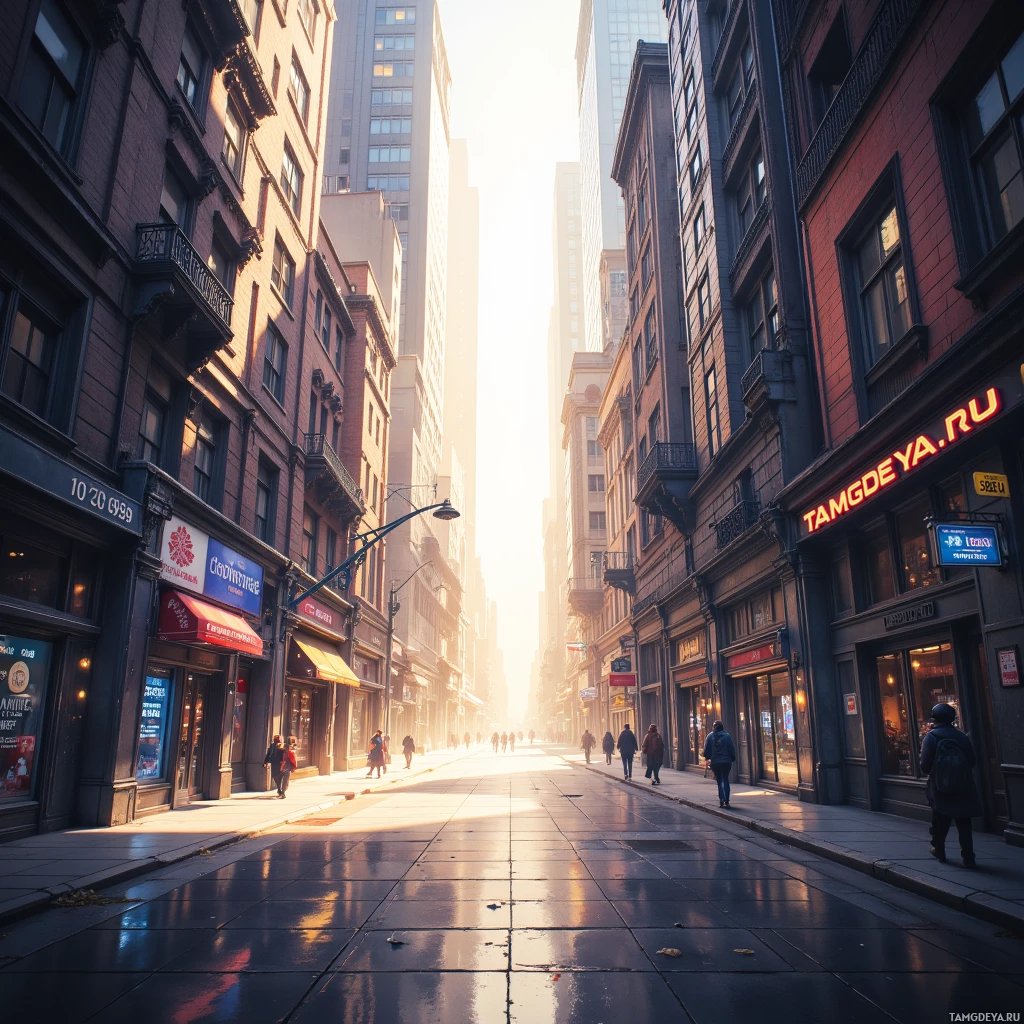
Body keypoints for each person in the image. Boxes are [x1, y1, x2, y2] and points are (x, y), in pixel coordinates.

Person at [920, 703, 981, 868]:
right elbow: (972, 761)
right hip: (963, 785)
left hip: (940, 787)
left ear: (935, 718)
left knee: (940, 820)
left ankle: (939, 850)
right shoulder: (961, 737)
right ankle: (969, 857)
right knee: (964, 823)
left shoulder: (931, 737)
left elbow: (925, 766)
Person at [703, 720, 737, 808]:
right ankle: (727, 800)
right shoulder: (727, 736)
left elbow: (706, 750)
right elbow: (731, 749)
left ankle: (721, 800)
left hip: (715, 762)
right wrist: (733, 757)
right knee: (725, 778)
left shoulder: (710, 736)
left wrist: (707, 758)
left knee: (719, 780)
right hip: (726, 761)